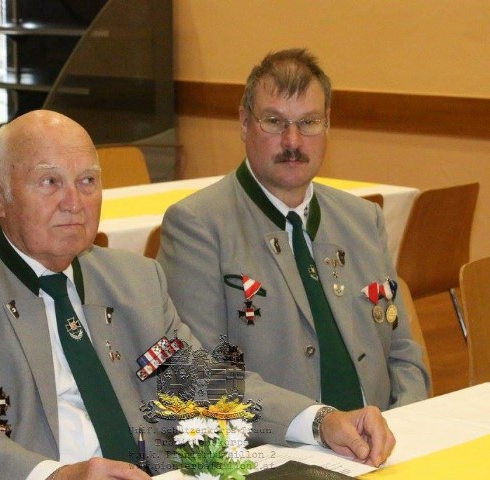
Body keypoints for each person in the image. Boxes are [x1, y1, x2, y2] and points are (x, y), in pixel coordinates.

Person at [0, 110, 395, 480]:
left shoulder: (134, 281)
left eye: (88, 181)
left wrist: (319, 420)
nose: (73, 202)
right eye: (49, 182)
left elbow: (201, 382)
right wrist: (55, 476)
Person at [157, 49, 430, 413]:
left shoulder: (363, 220)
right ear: (244, 123)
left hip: (384, 434)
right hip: (279, 441)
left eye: (309, 122)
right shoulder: (198, 227)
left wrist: (407, 420)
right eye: (274, 121)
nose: (293, 141)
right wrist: (314, 425)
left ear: (327, 124)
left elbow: (403, 351)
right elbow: (203, 374)